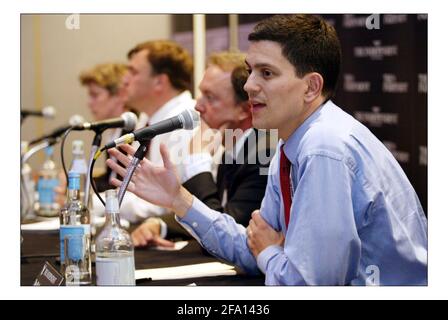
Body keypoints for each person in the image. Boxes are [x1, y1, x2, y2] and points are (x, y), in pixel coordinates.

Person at [107, 15, 428, 285]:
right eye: (250, 71)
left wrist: (269, 252)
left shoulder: (323, 148)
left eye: (267, 73)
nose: (248, 86)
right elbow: (251, 248)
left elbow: (307, 284)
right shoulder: (292, 145)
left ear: (311, 87)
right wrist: (180, 199)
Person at [129, 52, 275, 248]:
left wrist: (196, 160)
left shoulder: (262, 156)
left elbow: (225, 236)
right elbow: (216, 214)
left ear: (244, 109)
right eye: (201, 93)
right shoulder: (234, 149)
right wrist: (161, 224)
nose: (198, 105)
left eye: (210, 97)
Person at [92, 40, 197, 223]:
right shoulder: (147, 118)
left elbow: (163, 200)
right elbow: (137, 188)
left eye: (133, 72)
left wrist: (94, 204)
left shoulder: (185, 122)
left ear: (159, 82)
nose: (124, 80)